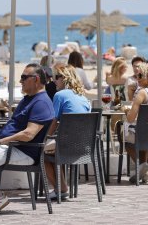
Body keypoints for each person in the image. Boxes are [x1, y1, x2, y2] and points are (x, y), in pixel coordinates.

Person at [0, 63, 54, 213]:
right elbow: (13, 126)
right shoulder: (27, 99)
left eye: (23, 77)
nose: (20, 81)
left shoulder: (41, 102)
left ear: (35, 79)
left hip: (24, 151)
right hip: (10, 146)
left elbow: (28, 134)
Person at [44, 64, 90, 199]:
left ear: (64, 78)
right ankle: (62, 187)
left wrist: (45, 138)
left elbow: (53, 121)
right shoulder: (83, 96)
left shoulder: (60, 95)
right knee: (52, 150)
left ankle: (61, 187)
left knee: (38, 152)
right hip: (84, 145)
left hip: (66, 145)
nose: (53, 81)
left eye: (56, 77)